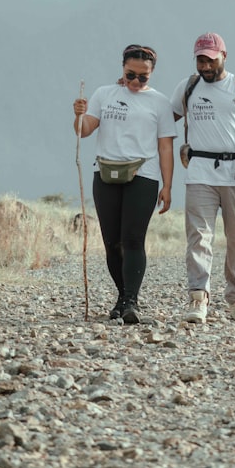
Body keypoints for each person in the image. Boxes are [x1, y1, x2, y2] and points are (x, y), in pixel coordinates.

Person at [73, 44, 176, 324]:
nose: (135, 82)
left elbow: (165, 147)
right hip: (105, 172)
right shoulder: (104, 94)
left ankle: (131, 300)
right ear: (122, 68)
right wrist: (78, 114)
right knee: (111, 243)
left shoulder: (159, 102)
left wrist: (167, 185)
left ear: (152, 74)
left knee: (132, 239)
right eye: (131, 75)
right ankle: (123, 297)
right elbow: (84, 131)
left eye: (143, 77)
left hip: (144, 174)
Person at [171, 33, 235, 323]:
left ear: (224, 56)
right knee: (199, 237)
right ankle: (198, 298)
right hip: (200, 172)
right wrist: (131, 92)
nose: (205, 66)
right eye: (200, 60)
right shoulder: (188, 88)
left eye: (211, 60)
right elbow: (163, 116)